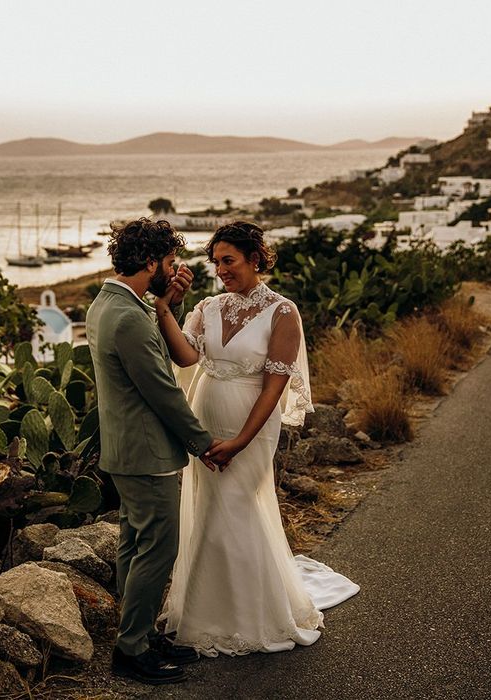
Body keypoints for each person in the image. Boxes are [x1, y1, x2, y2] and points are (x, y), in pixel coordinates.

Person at [155, 221, 359, 657]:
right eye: (215, 263)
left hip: (251, 425)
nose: (221, 270)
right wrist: (166, 308)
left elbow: (274, 386)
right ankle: (205, 614)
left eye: (228, 261)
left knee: (235, 508)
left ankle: (249, 618)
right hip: (205, 417)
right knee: (209, 511)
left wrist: (243, 440)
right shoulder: (207, 306)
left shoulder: (282, 312)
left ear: (255, 258)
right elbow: (186, 354)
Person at [85, 218, 221, 684]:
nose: (175, 268)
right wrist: (203, 444)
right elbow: (163, 391)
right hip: (146, 453)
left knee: (133, 544)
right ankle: (131, 649)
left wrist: (165, 303)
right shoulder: (127, 318)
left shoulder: (109, 303)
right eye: (169, 262)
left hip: (123, 449)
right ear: (149, 263)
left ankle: (137, 631)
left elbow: (152, 334)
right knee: (158, 549)